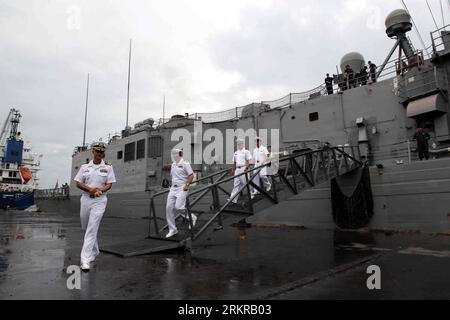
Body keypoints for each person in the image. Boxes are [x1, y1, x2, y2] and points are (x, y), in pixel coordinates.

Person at [74, 142, 116, 271]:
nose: (99, 153)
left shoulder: (108, 168)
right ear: (93, 152)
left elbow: (110, 184)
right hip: (86, 200)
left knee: (92, 229)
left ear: (103, 153)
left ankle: (85, 260)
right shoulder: (84, 167)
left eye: (101, 151)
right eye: (97, 151)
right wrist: (91, 189)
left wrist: (101, 191)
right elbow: (78, 183)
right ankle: (95, 250)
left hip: (100, 201)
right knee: (86, 227)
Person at [165, 148, 196, 238]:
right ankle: (173, 230)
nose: (174, 155)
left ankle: (192, 218)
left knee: (179, 207)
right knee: (168, 208)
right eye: (173, 154)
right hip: (173, 189)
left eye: (175, 154)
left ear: (179, 154)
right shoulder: (173, 164)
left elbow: (191, 175)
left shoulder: (185, 163)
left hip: (183, 188)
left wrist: (187, 185)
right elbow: (174, 177)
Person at [228, 138, 252, 203]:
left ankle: (251, 194)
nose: (239, 145)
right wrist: (233, 170)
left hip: (243, 169)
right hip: (237, 170)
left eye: (240, 144)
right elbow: (234, 162)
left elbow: (248, 161)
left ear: (243, 144)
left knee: (246, 183)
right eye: (238, 144)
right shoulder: (236, 153)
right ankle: (233, 199)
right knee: (236, 184)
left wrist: (246, 168)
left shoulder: (246, 151)